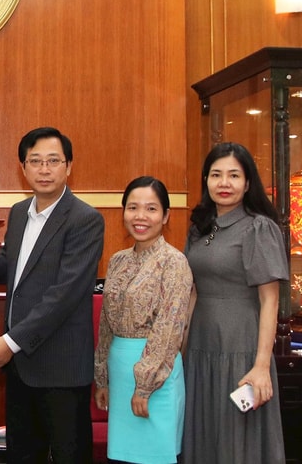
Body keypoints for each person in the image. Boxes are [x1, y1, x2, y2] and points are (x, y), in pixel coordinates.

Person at [0, 127, 105, 464]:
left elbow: (64, 294)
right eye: (36, 161)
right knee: (22, 455)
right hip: (20, 368)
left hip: (61, 368)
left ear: (68, 166)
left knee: (67, 457)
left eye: (53, 161)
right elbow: (15, 270)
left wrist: (10, 342)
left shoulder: (85, 220)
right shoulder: (18, 213)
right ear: (23, 167)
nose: (44, 169)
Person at [183, 142, 287, 463]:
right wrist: (180, 348)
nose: (224, 183)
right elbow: (194, 291)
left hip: (241, 346)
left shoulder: (259, 227)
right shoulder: (200, 227)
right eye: (216, 175)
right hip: (201, 346)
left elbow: (270, 301)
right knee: (203, 433)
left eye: (233, 175)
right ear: (206, 180)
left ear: (247, 183)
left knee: (236, 439)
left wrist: (260, 366)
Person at [94, 176, 192, 464]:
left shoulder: (174, 262)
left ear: (165, 216)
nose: (141, 216)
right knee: (122, 458)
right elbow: (105, 323)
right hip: (119, 370)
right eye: (133, 207)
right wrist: (102, 379)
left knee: (155, 456)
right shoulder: (117, 260)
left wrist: (145, 385)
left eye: (151, 209)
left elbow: (169, 327)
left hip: (156, 375)